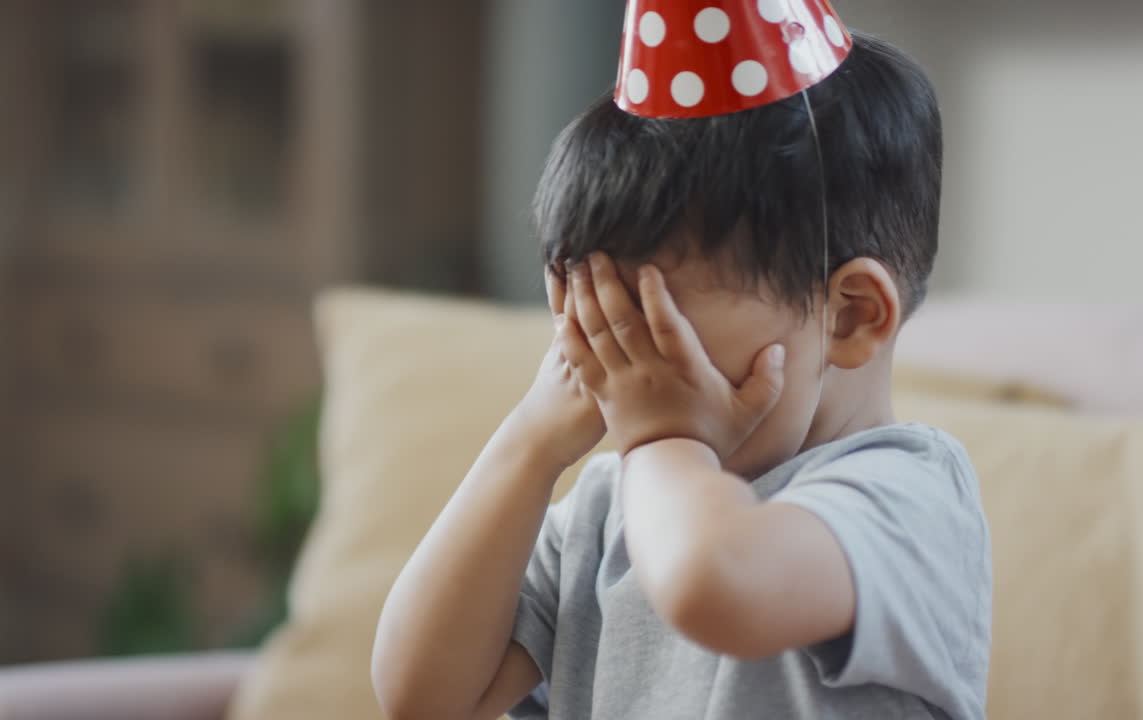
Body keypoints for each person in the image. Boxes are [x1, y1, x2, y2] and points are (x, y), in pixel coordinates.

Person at [371, 11, 991, 720]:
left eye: (656, 331)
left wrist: (666, 438)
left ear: (849, 315)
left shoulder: (907, 496)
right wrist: (531, 442)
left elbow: (713, 581)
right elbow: (421, 698)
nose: (619, 373)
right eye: (598, 325)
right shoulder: (610, 508)